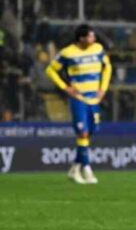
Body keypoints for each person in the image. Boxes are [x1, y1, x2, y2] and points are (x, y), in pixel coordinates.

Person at [45, 24, 112, 185]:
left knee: (90, 133)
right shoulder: (68, 53)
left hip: (94, 99)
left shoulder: (98, 49)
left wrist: (103, 89)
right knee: (82, 133)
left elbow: (108, 67)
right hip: (79, 99)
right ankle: (87, 169)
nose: (94, 38)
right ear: (81, 38)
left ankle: (74, 169)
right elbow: (50, 70)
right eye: (90, 36)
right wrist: (65, 87)